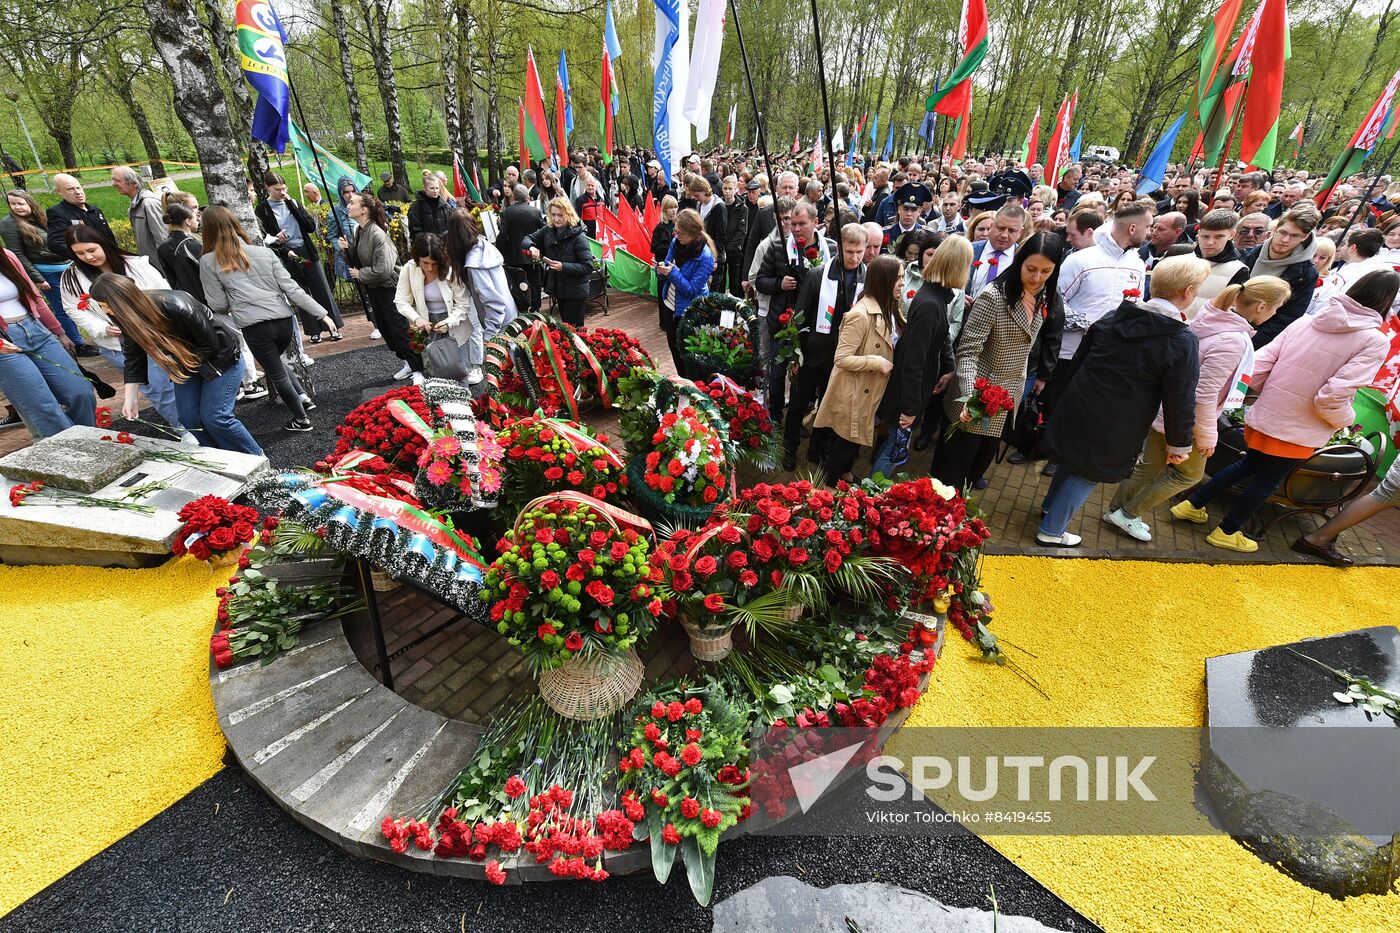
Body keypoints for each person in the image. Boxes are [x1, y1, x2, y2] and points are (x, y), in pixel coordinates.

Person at [1173, 271, 1395, 552]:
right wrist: (1345, 421)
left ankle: (1191, 505)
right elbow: (1333, 396)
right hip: (1301, 426)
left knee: (1248, 465)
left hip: (1267, 411)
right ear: (1387, 301)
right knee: (1267, 479)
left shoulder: (1307, 320)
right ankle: (1227, 531)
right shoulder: (1374, 341)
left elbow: (1261, 364)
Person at [1035, 255, 1205, 546]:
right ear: (1188, 291)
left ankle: (1050, 508)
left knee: (1071, 460)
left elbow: (1080, 358)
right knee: (1088, 472)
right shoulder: (1180, 339)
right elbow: (1180, 397)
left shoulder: (1116, 315)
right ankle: (1051, 530)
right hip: (1120, 418)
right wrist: (1179, 443)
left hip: (1081, 399)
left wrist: (1068, 394)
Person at [1104, 276, 1290, 541]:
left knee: (1148, 466)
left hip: (1167, 409)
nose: (1275, 313)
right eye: (1276, 306)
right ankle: (1127, 514)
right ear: (1261, 306)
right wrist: (1207, 435)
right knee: (1188, 475)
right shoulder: (1233, 340)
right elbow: (1205, 393)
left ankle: (1117, 512)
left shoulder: (1210, 319)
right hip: (1186, 419)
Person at [933, 233, 1066, 491]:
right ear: (1019, 262)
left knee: (975, 472)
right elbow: (968, 352)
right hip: (973, 399)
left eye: (1046, 271)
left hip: (1006, 400)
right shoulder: (993, 297)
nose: (1037, 278)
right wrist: (969, 396)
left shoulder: (1044, 295)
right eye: (1031, 269)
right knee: (949, 477)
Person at [86, 274, 259, 454]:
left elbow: (212, 345)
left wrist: (179, 362)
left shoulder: (176, 305)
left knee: (216, 418)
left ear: (120, 302)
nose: (106, 312)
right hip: (187, 365)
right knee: (189, 419)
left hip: (221, 360)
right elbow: (133, 359)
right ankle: (221, 455)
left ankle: (256, 457)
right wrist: (131, 398)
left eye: (106, 306)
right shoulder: (127, 319)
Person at [201, 204, 325, 431]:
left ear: (206, 230)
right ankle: (303, 398)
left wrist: (236, 298)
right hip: (284, 321)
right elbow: (292, 289)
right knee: (275, 363)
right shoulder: (264, 252)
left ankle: (301, 420)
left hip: (254, 326)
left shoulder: (209, 261)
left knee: (275, 370)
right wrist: (322, 314)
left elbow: (218, 304)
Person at [60, 225, 191, 439]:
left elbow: (164, 292)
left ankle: (196, 422)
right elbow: (72, 308)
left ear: (103, 244)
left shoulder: (134, 265)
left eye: (92, 250)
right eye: (80, 253)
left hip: (157, 336)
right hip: (117, 343)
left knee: (181, 381)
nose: (88, 257)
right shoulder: (72, 278)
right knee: (158, 389)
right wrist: (101, 328)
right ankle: (183, 429)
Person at [871, 237, 967, 478]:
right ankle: (869, 496)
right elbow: (913, 362)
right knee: (894, 450)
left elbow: (941, 337)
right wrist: (911, 408)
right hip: (908, 393)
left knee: (893, 447)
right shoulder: (930, 305)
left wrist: (948, 367)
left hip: (916, 388)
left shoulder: (936, 296)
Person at [783, 223, 868, 469]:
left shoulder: (867, 278)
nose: (854, 257)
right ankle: (789, 447)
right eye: (849, 251)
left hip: (843, 358)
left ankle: (817, 449)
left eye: (859, 252)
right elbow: (799, 316)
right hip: (812, 355)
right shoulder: (817, 275)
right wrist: (796, 354)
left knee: (829, 408)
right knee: (799, 404)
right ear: (839, 248)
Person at [814, 254, 901, 484]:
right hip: (853, 391)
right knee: (844, 444)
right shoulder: (859, 315)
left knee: (854, 442)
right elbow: (841, 358)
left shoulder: (889, 307)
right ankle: (830, 487)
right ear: (885, 281)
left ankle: (845, 475)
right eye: (898, 278)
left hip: (868, 388)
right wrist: (876, 362)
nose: (902, 283)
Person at [0, 246, 95, 437]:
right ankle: (70, 452)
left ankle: (89, 438)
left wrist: (59, 331)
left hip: (35, 328)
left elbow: (32, 295)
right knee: (42, 405)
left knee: (80, 391)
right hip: (5, 343)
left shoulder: (6, 255)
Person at [254, 172, 344, 344]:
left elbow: (309, 226)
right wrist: (282, 245)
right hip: (288, 255)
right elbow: (265, 236)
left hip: (306, 251)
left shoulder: (293, 202)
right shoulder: (263, 208)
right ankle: (314, 331)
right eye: (277, 189)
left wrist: (291, 204)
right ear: (267, 188)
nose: (281, 192)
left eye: (283, 188)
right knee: (301, 292)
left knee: (321, 289)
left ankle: (333, 327)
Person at [339, 193, 419, 382]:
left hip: (388, 288)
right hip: (374, 287)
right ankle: (408, 361)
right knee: (385, 328)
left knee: (399, 329)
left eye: (352, 203)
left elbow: (384, 269)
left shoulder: (377, 233)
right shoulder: (359, 230)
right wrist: (346, 249)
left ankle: (418, 368)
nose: (348, 206)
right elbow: (359, 257)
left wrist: (361, 274)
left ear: (364, 209)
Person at [1, 190, 90, 354]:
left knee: (85, 301)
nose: (16, 207)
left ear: (30, 202)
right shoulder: (9, 224)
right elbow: (18, 254)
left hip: (67, 266)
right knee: (62, 307)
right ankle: (78, 344)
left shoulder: (40, 217)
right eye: (12, 204)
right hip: (47, 273)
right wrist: (38, 278)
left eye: (20, 203)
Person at [396, 233, 479, 383]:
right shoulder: (409, 269)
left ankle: (463, 402)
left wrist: (449, 322)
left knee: (457, 370)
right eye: (425, 262)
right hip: (425, 324)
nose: (429, 268)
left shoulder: (450, 269)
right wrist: (417, 318)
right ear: (417, 259)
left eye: (434, 263)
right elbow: (401, 301)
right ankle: (439, 405)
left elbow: (463, 304)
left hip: (453, 323)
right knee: (433, 370)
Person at [1243, 203, 1321, 347]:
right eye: (1283, 232)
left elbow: (1287, 318)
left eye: (1294, 236)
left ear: (1305, 237)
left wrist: (1250, 344)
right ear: (1275, 229)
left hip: (1254, 339)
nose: (1285, 240)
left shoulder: (1306, 273)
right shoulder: (1250, 254)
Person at [444, 208, 514, 365]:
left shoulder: (474, 264)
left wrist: (489, 337)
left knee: (504, 376)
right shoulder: (484, 247)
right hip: (509, 317)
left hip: (500, 325)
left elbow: (494, 303)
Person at [656, 208, 717, 373]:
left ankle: (691, 385)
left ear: (693, 233)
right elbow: (667, 264)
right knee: (674, 349)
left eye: (680, 233)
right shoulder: (676, 243)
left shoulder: (705, 257)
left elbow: (691, 290)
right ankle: (683, 381)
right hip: (670, 304)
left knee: (687, 353)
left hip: (689, 310)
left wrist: (673, 273)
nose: (676, 236)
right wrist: (660, 270)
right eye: (676, 231)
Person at [524, 196, 595, 327]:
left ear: (568, 215)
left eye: (560, 215)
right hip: (559, 288)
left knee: (574, 330)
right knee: (566, 328)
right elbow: (528, 238)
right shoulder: (549, 230)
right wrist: (532, 247)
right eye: (554, 215)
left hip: (575, 291)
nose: (556, 219)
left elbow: (588, 266)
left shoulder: (579, 237)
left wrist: (563, 267)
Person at [1187, 208, 1252, 317]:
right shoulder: (1181, 260)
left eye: (1219, 236)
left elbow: (1232, 311)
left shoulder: (1239, 271)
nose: (1210, 242)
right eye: (1205, 236)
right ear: (1199, 234)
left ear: (1232, 234)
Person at [110, 166, 167, 274]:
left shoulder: (149, 204)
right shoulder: (135, 205)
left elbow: (162, 239)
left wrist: (166, 269)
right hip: (153, 265)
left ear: (133, 182)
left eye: (117, 180)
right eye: (112, 180)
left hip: (162, 267)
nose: (113, 184)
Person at [46, 174, 115, 259]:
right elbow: (55, 243)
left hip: (111, 257)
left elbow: (109, 236)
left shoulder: (94, 210)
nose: (78, 192)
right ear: (59, 191)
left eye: (78, 188)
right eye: (70, 189)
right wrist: (84, 256)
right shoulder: (57, 213)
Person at [966, 204, 1027, 298]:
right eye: (1001, 228)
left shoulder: (1023, 258)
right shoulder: (968, 250)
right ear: (991, 226)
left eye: (1012, 231)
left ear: (1020, 233)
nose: (1004, 235)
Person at [157, 201, 206, 302]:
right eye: (195, 218)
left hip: (182, 298)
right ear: (187, 221)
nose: (197, 221)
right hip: (202, 297)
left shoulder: (163, 246)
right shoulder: (193, 245)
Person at [407, 170, 454, 240]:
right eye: (432, 188)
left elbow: (451, 228)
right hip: (426, 246)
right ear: (424, 188)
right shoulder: (416, 206)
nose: (435, 191)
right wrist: (431, 241)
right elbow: (415, 232)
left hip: (444, 246)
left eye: (437, 188)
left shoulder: (445, 206)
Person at [721, 175, 748, 297]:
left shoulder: (742, 207)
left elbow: (741, 232)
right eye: (725, 188)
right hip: (721, 249)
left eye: (730, 188)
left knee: (734, 283)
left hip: (735, 251)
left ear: (735, 188)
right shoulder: (719, 205)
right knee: (720, 282)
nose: (727, 191)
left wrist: (728, 248)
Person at [574, 173, 603, 239]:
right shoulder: (580, 200)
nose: (590, 187)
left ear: (596, 187)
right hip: (588, 234)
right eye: (588, 185)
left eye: (592, 185)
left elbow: (605, 217)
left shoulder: (601, 200)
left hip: (600, 234)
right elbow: (578, 219)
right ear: (585, 186)